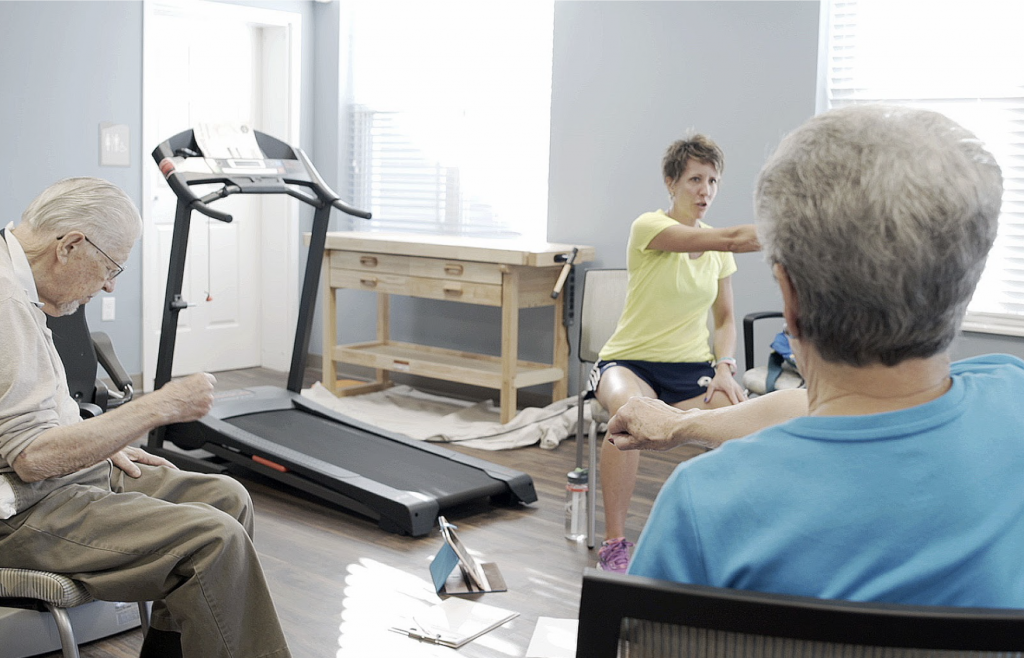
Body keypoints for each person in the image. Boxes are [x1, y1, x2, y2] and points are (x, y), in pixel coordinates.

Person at [612, 105, 1024, 608]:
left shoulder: (703, 503)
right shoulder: (1011, 393)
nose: (705, 188)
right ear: (967, 275)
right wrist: (683, 425)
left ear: (789, 296)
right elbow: (820, 406)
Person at [0, 177, 291, 657]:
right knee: (212, 541)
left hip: (58, 484)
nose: (111, 283)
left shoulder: (21, 284)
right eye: (111, 266)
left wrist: (98, 439)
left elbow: (27, 417)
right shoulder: (7, 301)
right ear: (70, 245)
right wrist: (158, 406)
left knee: (225, 498)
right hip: (23, 511)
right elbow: (31, 458)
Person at [591, 134, 760, 572]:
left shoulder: (719, 252)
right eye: (695, 179)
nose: (705, 190)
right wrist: (809, 225)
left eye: (713, 181)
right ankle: (614, 542)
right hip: (629, 361)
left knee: (744, 421)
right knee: (628, 411)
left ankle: (721, 540)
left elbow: (724, 319)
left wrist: (725, 367)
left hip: (691, 370)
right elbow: (735, 239)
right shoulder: (650, 227)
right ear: (671, 182)